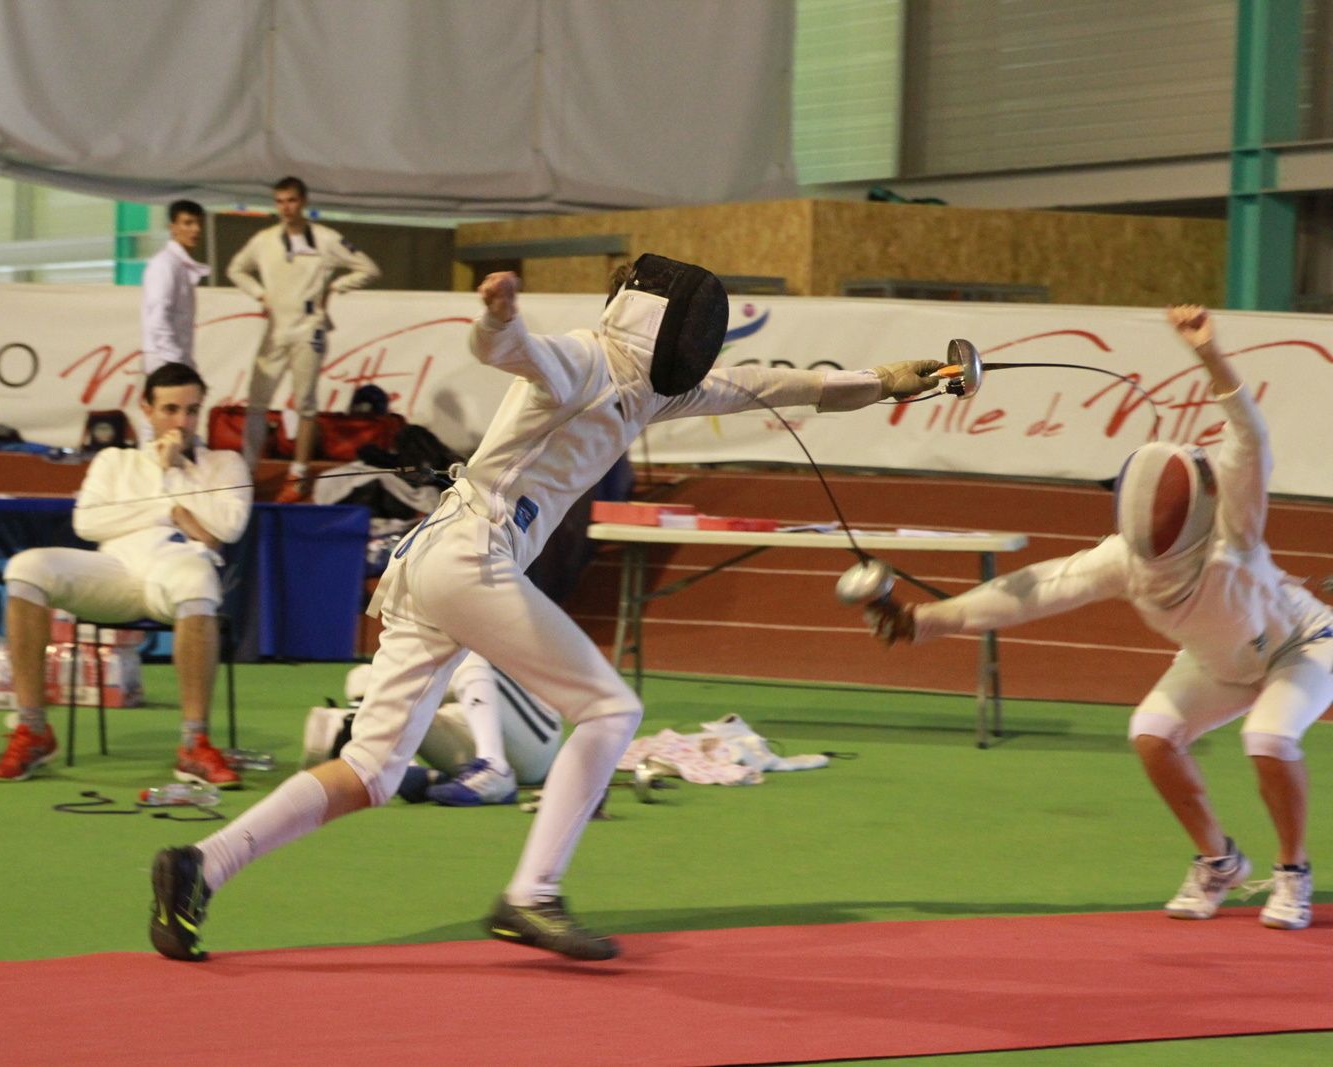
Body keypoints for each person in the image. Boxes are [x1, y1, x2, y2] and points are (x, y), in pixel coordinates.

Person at [147, 254, 942, 963]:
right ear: (661, 324)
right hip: (468, 556)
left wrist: (893, 380)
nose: (703, 346)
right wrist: (496, 318)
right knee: (608, 709)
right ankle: (532, 892)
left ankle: (201, 864)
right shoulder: (583, 360)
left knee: (371, 771)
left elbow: (776, 385)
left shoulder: (650, 391)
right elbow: (511, 351)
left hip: (439, 563)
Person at [867, 305, 1326, 932]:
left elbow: (1251, 436)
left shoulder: (1233, 533)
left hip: (1299, 646)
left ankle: (1293, 871)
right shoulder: (1125, 559)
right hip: (1219, 661)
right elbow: (1028, 591)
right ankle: (1219, 860)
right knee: (1152, 735)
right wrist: (926, 620)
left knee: (1268, 738)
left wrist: (1208, 353)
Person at [0, 362, 251, 787]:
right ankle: (33, 729)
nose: (181, 422)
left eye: (191, 410)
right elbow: (88, 523)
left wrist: (172, 474)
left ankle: (194, 743)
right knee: (25, 569)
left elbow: (227, 529)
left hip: (175, 567)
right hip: (115, 570)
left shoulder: (226, 464)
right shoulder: (115, 460)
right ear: (146, 409)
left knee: (199, 578)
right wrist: (174, 512)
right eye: (170, 409)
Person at [227, 176, 380, 500]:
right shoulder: (264, 240)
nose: (286, 207)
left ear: (304, 202)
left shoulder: (325, 239)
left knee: (306, 403)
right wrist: (260, 293)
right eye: (280, 201)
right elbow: (236, 269)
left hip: (309, 328)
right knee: (256, 402)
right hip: (275, 329)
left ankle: (298, 471)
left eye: (292, 200)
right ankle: (248, 470)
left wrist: (335, 287)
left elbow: (367, 268)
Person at [311, 653, 562, 805]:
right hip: (468, 735)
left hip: (536, 738)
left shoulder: (481, 585)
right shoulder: (413, 603)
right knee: (365, 679)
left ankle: (493, 765)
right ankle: (399, 768)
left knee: (465, 654)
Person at [141, 200, 210, 375]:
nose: (196, 229)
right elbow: (157, 315)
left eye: (199, 223)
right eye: (188, 223)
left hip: (175, 357)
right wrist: (175, 361)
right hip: (166, 359)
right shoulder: (165, 264)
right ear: (172, 227)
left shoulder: (179, 264)